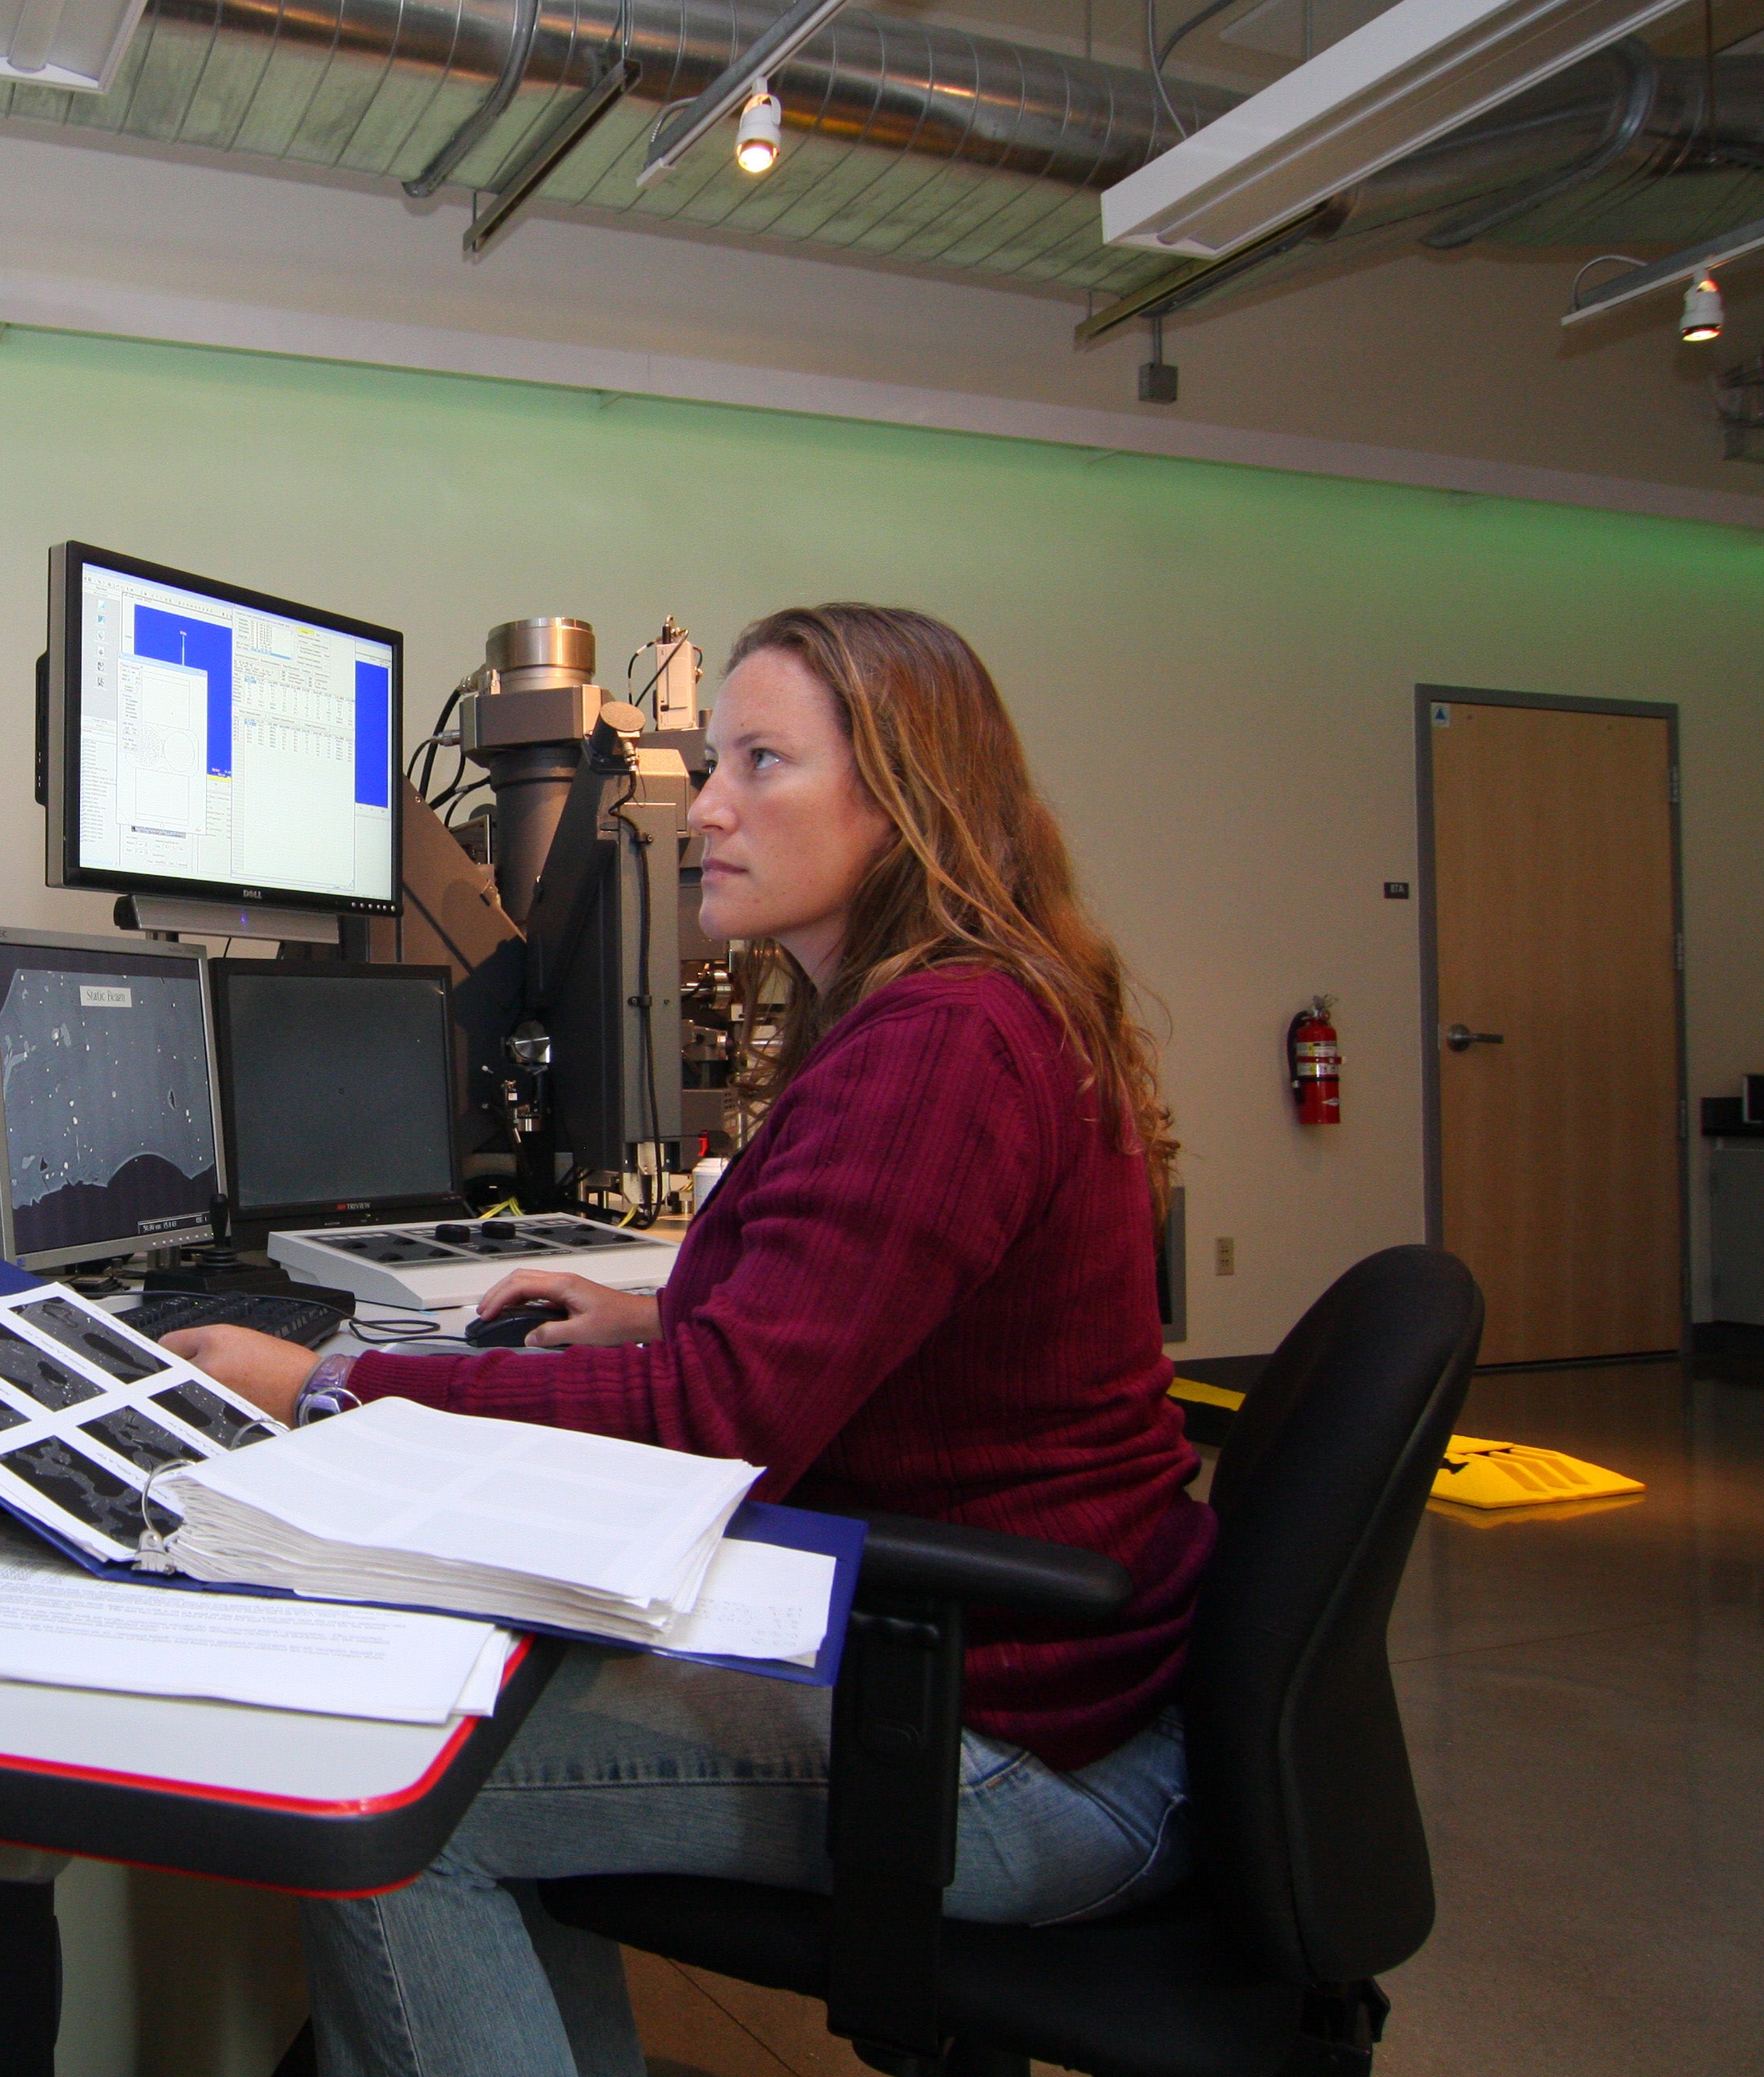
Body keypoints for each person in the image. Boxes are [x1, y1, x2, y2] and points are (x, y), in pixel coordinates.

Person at [159, 604, 1213, 2077]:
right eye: (717, 762)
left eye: (762, 763)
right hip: (1035, 1685)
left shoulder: (943, 1044)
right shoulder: (953, 1011)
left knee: (382, 1786)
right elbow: (882, 1318)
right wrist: (649, 1308)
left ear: (901, 801)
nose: (708, 806)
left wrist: (331, 1379)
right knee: (489, 1682)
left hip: (1002, 1747)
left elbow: (717, 1414)